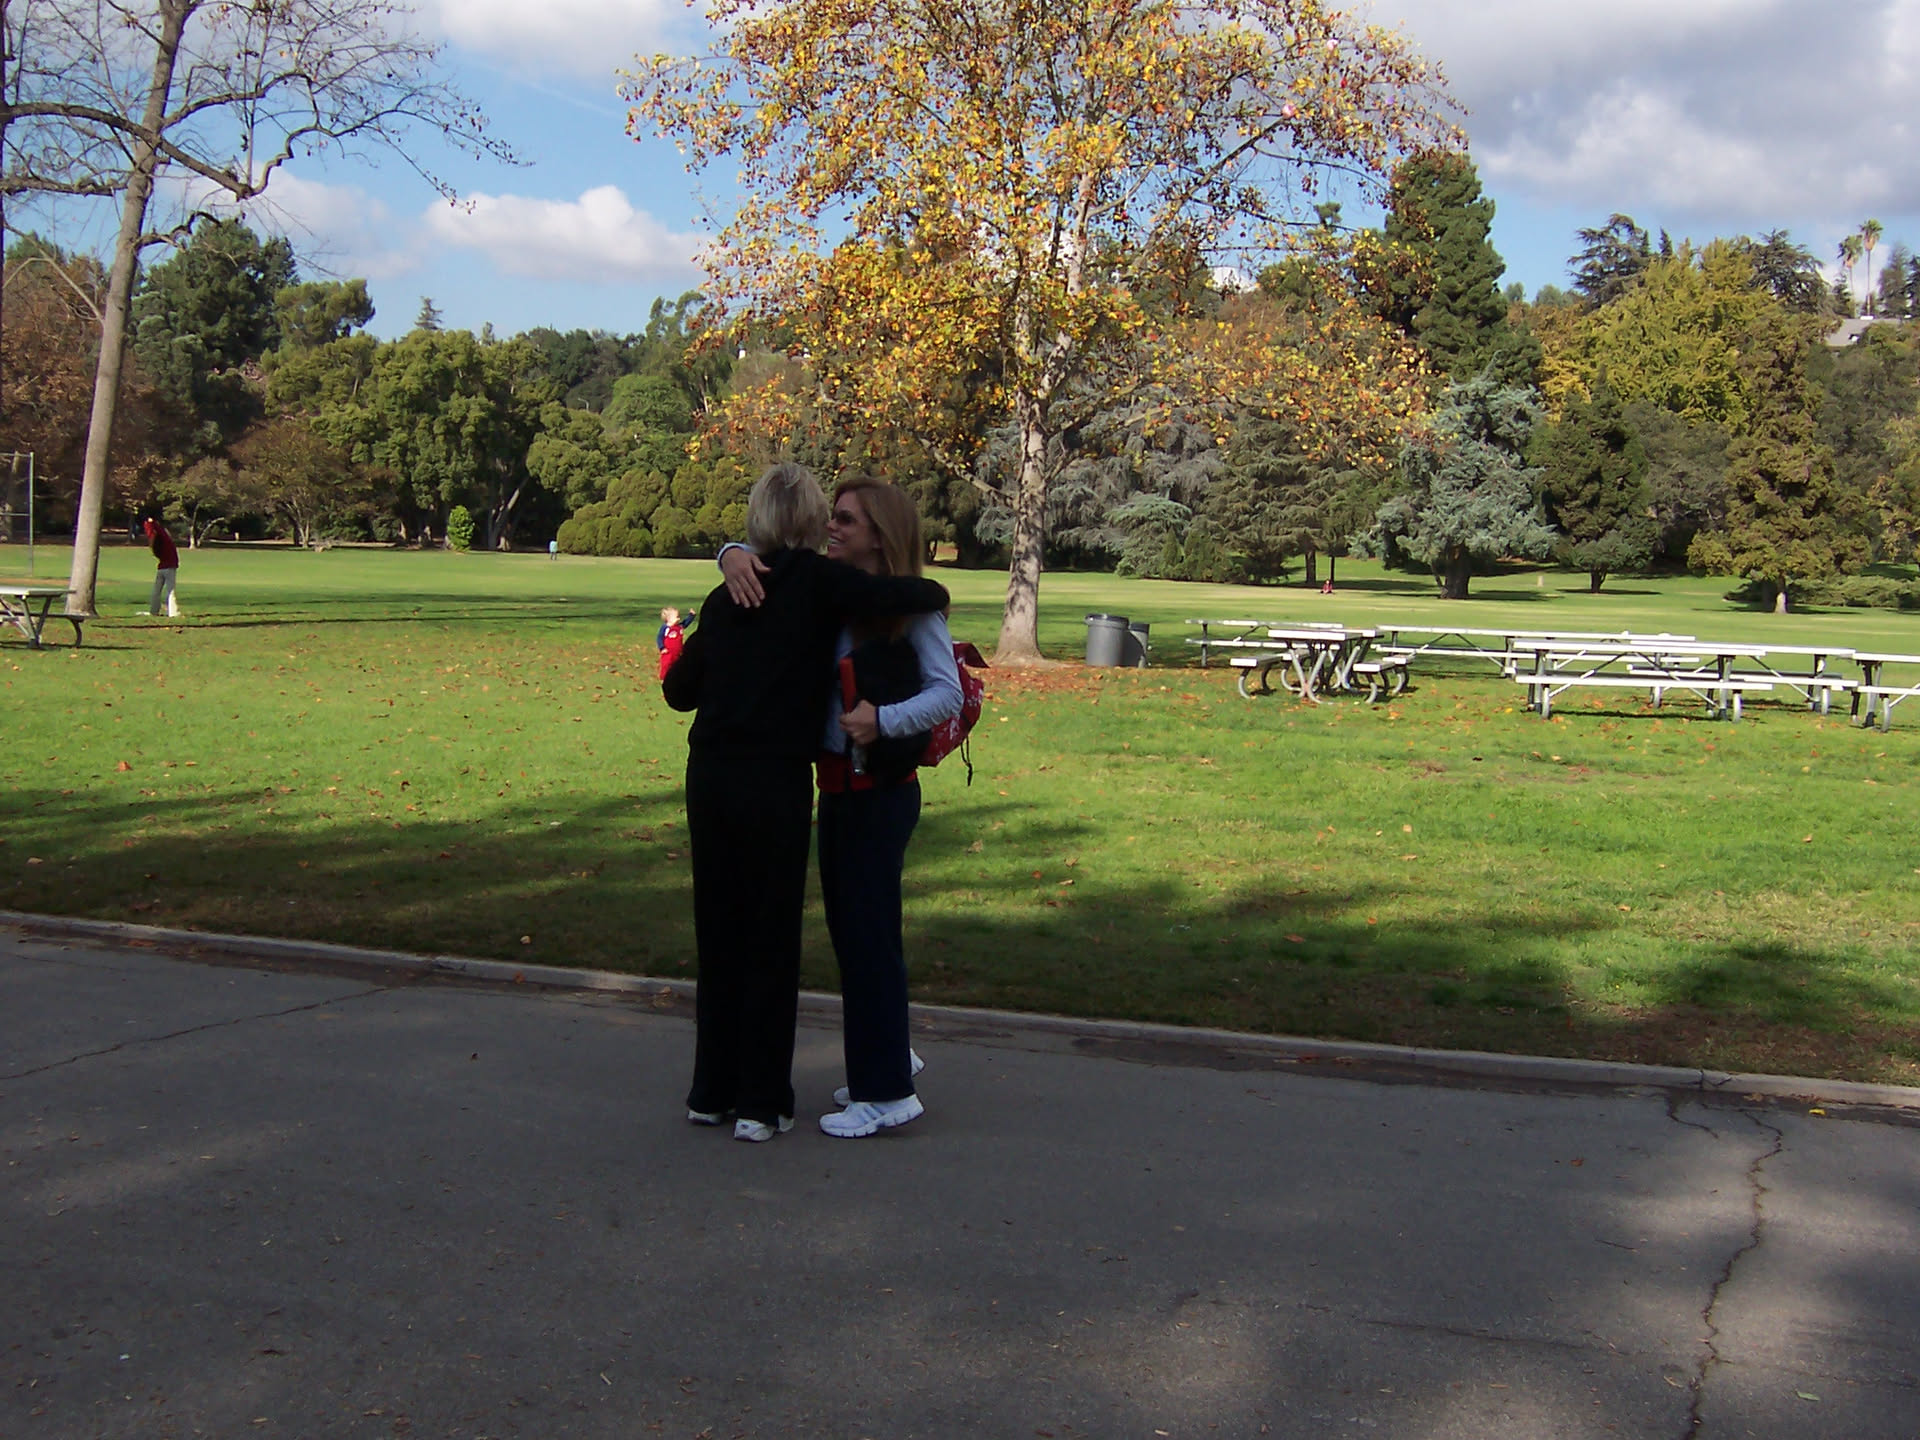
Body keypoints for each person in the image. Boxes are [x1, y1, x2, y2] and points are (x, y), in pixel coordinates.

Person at [662, 464, 950, 1143]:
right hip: (786, 781)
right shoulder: (821, 585)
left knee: (732, 934)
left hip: (725, 776)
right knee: (779, 938)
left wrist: (730, 559)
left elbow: (679, 691)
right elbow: (922, 590)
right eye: (829, 516)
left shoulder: (736, 594)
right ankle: (764, 1101)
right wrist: (733, 555)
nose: (832, 528)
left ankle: (719, 1091)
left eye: (846, 521)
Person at [142, 517, 181, 617]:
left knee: (157, 591)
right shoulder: (161, 534)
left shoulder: (157, 534)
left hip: (163, 566)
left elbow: (152, 534)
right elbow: (154, 532)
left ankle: (154, 611)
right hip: (169, 566)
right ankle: (173, 612)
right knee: (170, 590)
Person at [656, 607, 684, 682]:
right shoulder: (665, 628)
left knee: (677, 665)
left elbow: (685, 623)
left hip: (677, 652)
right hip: (668, 652)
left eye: (679, 617)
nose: (679, 619)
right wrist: (662, 648)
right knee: (666, 665)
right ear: (669, 619)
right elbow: (659, 638)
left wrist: (691, 616)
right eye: (677, 617)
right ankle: (664, 678)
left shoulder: (679, 627)